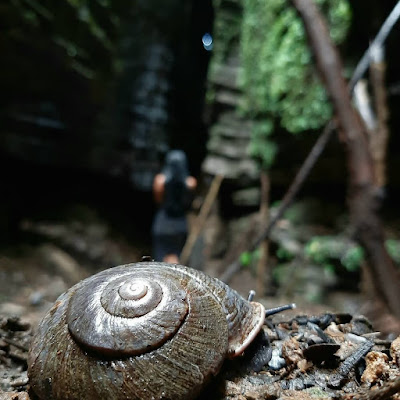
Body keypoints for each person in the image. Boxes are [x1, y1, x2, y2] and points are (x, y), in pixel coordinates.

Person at [152, 150, 197, 263]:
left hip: (163, 222)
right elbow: (190, 202)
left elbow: (159, 200)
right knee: (178, 260)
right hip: (180, 223)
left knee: (160, 259)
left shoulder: (159, 181)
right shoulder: (191, 183)